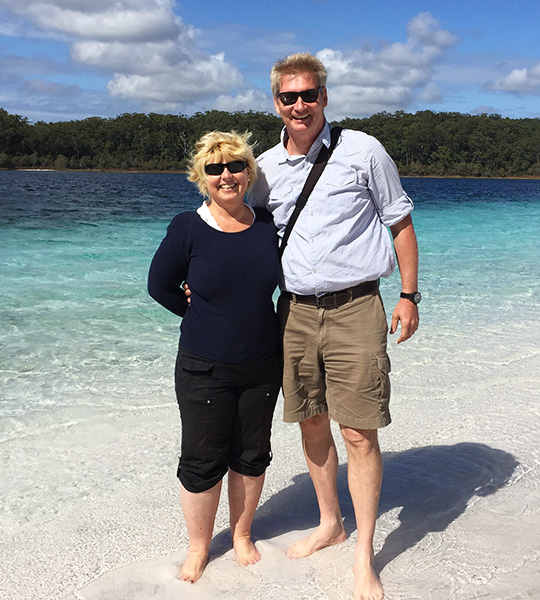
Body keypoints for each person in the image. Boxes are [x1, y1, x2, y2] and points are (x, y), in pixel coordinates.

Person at [248, 52, 420, 600]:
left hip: (356, 307)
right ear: (275, 101)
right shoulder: (264, 167)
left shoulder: (363, 150)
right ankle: (330, 522)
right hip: (293, 311)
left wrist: (409, 295)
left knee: (358, 431)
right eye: (288, 96)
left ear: (324, 97)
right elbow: (240, 230)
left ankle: (365, 554)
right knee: (312, 423)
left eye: (308, 95)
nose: (299, 105)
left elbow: (400, 222)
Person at [147, 130, 282, 583]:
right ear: (201, 177)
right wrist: (196, 311)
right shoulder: (188, 226)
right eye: (215, 168)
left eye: (236, 166)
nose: (227, 175)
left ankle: (242, 534)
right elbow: (159, 286)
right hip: (204, 364)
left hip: (263, 362)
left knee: (251, 454)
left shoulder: (267, 225)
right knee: (202, 459)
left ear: (249, 172)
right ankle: (199, 546)